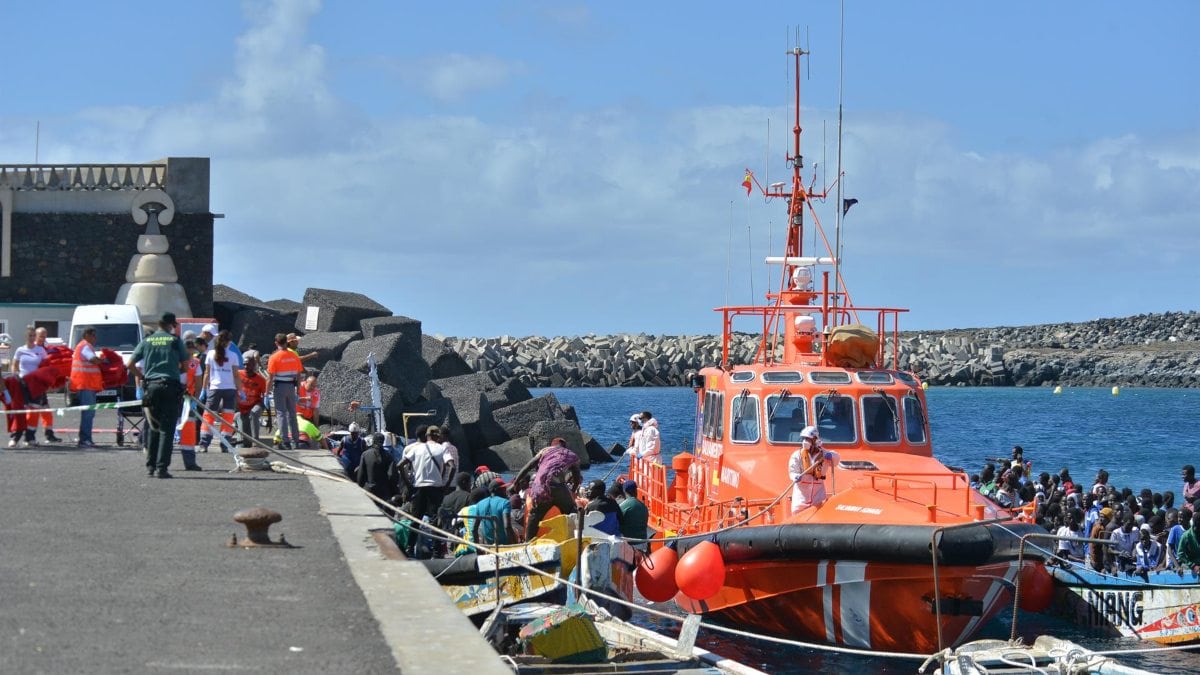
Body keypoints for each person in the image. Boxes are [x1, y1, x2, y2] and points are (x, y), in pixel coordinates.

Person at [129, 313, 190, 478]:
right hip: (170, 386)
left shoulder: (147, 341)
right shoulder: (175, 341)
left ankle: (150, 466)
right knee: (167, 429)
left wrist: (142, 378)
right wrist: (175, 372)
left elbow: (130, 364)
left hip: (151, 387)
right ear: (170, 325)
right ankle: (162, 468)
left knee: (153, 428)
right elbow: (186, 365)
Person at [512, 437, 583, 541]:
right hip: (559, 487)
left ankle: (528, 542)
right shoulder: (570, 455)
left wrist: (516, 482)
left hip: (541, 488)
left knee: (535, 515)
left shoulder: (545, 450)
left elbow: (528, 466)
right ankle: (577, 539)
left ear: (552, 445)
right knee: (571, 512)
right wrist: (572, 491)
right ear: (565, 446)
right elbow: (576, 478)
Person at [11, 327, 59, 446]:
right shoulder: (20, 350)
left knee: (34, 411)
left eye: (33, 336)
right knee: (19, 410)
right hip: (22, 383)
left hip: (36, 385)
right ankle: (15, 437)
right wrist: (16, 376)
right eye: (30, 336)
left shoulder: (41, 350)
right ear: (26, 337)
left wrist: (47, 383)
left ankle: (30, 437)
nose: (32, 338)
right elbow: (14, 365)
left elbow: (45, 367)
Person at [399, 426, 453, 529]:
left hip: (419, 488)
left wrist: (408, 485)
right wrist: (446, 485)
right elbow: (452, 466)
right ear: (438, 437)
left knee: (415, 520)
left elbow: (400, 465)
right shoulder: (442, 448)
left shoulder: (416, 448)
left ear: (427, 436)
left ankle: (411, 544)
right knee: (435, 520)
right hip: (435, 489)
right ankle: (436, 543)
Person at [199, 330, 243, 452]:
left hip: (215, 388)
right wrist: (241, 390)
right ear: (229, 342)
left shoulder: (210, 354)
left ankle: (204, 443)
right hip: (230, 389)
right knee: (228, 416)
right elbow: (236, 375)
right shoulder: (233, 356)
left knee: (208, 416)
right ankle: (225, 443)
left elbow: (207, 373)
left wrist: (203, 389)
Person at [265, 333, 304, 449]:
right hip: (291, 387)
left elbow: (270, 378)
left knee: (281, 414)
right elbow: (299, 375)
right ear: (286, 342)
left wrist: (266, 394)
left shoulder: (274, 357)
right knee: (292, 413)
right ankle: (296, 440)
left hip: (280, 387)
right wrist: (298, 391)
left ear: (276, 343)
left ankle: (285, 441)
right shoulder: (294, 356)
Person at [69, 326, 104, 448]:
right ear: (87, 335)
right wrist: (103, 360)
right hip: (85, 384)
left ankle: (85, 438)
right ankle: (85, 439)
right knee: (88, 413)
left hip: (85, 384)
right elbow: (93, 360)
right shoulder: (85, 346)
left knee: (88, 413)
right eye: (93, 335)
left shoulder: (83, 346)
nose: (95, 338)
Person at [788, 426, 827, 513]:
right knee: (798, 516)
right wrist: (795, 477)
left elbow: (836, 459)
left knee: (821, 514)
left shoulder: (823, 454)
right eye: (804, 439)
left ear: (815, 440)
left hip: (818, 496)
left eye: (808, 439)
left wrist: (830, 455)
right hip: (801, 497)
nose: (805, 442)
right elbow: (792, 471)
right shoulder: (797, 455)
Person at [357, 432, 400, 509]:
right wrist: (394, 491)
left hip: (369, 491)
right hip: (383, 492)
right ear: (383, 442)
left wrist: (359, 488)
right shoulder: (388, 456)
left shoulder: (365, 454)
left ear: (373, 441)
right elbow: (392, 475)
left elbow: (360, 476)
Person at [470, 480, 515, 547]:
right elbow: (507, 527)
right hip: (504, 546)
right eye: (503, 488)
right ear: (497, 490)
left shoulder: (479, 504)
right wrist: (513, 546)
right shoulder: (505, 503)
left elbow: (474, 529)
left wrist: (478, 549)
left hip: (488, 547)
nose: (505, 491)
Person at [237, 356, 267, 447]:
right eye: (244, 364)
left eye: (248, 365)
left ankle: (256, 441)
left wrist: (266, 401)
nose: (246, 367)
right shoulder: (238, 374)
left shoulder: (261, 380)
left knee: (253, 413)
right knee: (245, 442)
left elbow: (265, 394)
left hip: (255, 404)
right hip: (240, 406)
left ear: (254, 365)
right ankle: (243, 442)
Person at [618, 480, 649, 544]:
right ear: (636, 490)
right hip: (643, 542)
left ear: (624, 491)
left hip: (629, 543)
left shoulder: (623, 506)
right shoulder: (643, 506)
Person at [1089, 507, 1113, 572]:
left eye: (1103, 517)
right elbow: (1092, 545)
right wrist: (1094, 560)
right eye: (1100, 517)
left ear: (1109, 518)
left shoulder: (1112, 528)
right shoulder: (1097, 528)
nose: (1101, 519)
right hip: (1097, 557)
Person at [1177, 511, 1200, 576]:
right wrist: (1193, 566)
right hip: (1190, 564)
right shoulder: (1186, 536)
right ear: (1195, 524)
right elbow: (1180, 554)